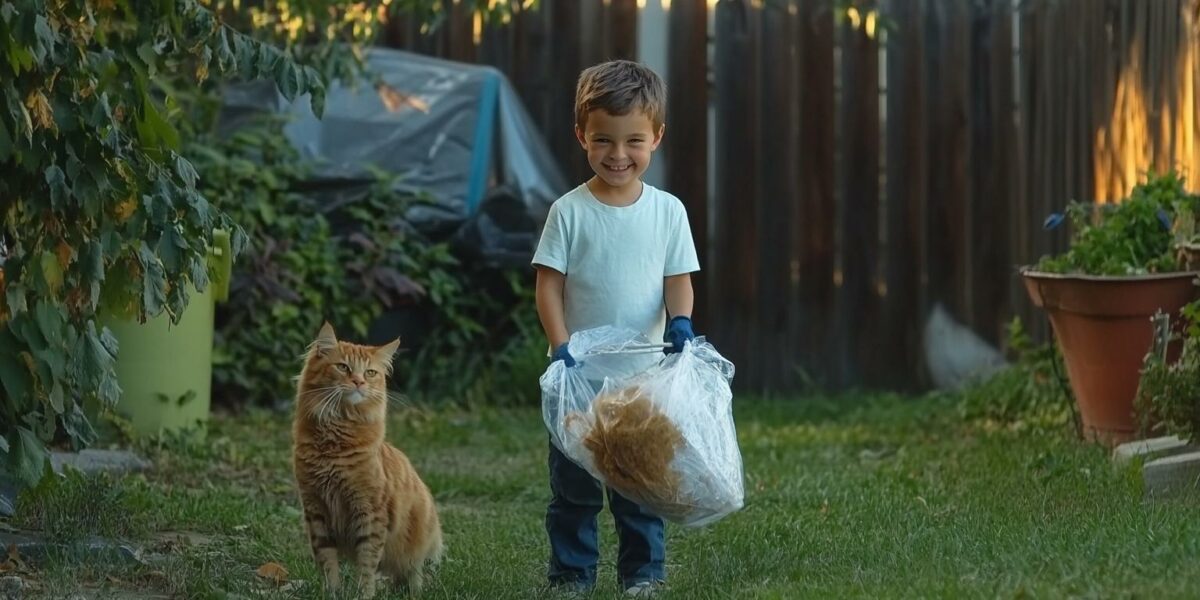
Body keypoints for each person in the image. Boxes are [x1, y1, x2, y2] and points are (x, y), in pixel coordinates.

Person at [531, 59, 701, 596]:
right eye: (603, 139)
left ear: (657, 137)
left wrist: (680, 321)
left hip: (641, 383)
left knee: (639, 486)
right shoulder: (569, 212)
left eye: (634, 141)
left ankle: (643, 574)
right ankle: (573, 574)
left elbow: (678, 279)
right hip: (578, 382)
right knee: (575, 489)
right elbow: (549, 285)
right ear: (581, 134)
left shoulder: (668, 212)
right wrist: (560, 346)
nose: (618, 155)